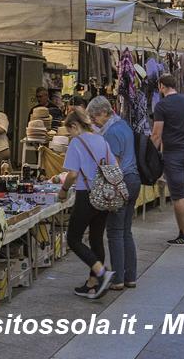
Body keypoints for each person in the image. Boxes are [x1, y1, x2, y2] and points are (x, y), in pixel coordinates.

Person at [57, 107, 116, 298]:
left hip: (86, 195)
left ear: (75, 125)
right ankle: (92, 283)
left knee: (73, 239)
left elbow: (72, 174)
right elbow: (114, 166)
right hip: (105, 194)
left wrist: (63, 190)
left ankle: (101, 272)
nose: (69, 134)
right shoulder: (101, 139)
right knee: (96, 238)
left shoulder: (76, 142)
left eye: (69, 130)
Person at [87, 96, 140, 290]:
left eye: (94, 117)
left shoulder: (111, 133)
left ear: (103, 113)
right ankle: (130, 277)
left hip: (121, 183)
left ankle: (117, 280)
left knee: (115, 232)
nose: (93, 121)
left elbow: (113, 165)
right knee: (126, 231)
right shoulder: (123, 125)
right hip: (133, 179)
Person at [151, 74, 184, 245]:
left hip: (173, 154)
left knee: (178, 196)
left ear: (161, 86)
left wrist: (150, 155)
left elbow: (157, 134)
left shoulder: (161, 106)